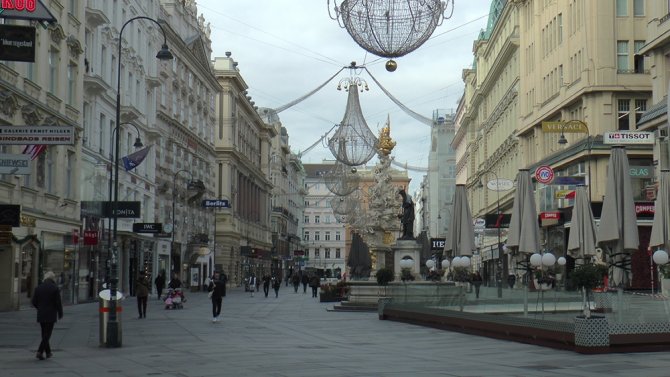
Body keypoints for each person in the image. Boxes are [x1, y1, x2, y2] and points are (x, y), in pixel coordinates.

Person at [31, 271, 63, 360]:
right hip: (51, 314)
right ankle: (40, 351)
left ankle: (48, 352)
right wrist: (60, 313)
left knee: (44, 333)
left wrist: (40, 308)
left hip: (41, 314)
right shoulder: (54, 288)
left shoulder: (38, 288)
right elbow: (58, 302)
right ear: (53, 278)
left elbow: (34, 302)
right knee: (47, 334)